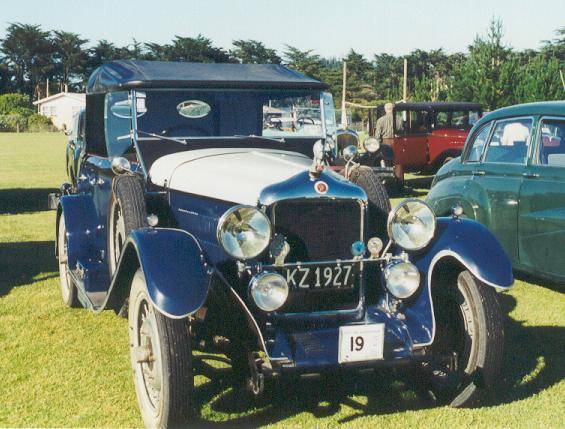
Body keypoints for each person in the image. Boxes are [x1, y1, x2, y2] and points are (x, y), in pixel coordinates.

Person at [374, 102, 404, 184]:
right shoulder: (400, 119)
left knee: (387, 162)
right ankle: (399, 182)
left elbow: (377, 136)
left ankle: (389, 182)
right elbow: (402, 131)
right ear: (393, 109)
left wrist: (377, 145)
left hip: (385, 142)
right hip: (397, 141)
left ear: (385, 110)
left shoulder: (380, 120)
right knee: (398, 162)